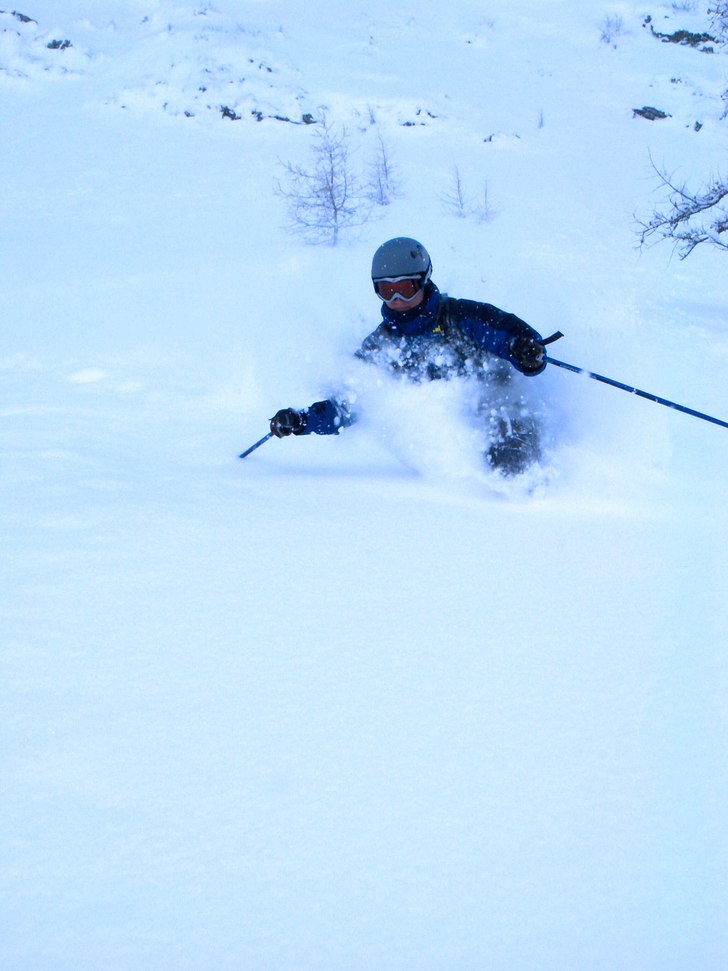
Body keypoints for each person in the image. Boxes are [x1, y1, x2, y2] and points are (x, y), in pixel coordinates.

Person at [269, 237, 550, 475]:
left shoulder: (462, 316)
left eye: (405, 289)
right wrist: (303, 420)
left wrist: (524, 350)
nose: (397, 301)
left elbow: (509, 334)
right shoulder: (380, 346)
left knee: (510, 459)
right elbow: (349, 404)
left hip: (502, 412)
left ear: (424, 279)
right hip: (451, 436)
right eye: (386, 291)